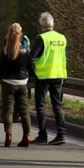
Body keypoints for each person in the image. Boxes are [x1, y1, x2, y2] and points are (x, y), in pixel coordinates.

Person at [30, 12, 68, 145]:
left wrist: (32, 73)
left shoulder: (41, 38)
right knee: (57, 105)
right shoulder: (62, 38)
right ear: (53, 24)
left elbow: (31, 57)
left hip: (43, 75)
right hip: (58, 75)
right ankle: (61, 134)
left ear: (42, 26)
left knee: (40, 105)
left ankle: (42, 135)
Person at [0, 23, 32, 148]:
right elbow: (30, 67)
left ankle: (9, 135)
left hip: (8, 83)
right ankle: (27, 136)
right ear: (21, 35)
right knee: (24, 111)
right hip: (22, 82)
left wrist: (2, 80)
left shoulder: (5, 51)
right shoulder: (25, 50)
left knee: (8, 110)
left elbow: (1, 69)